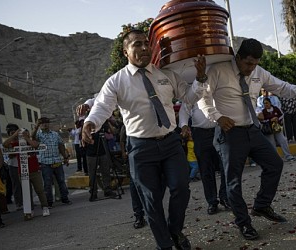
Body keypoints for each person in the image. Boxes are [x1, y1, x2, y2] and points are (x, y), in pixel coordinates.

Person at [81, 30, 207, 250]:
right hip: (141, 148)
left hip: (170, 143)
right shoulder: (116, 81)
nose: (144, 49)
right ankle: (164, 245)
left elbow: (189, 97)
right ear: (126, 51)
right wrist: (91, 123)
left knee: (181, 187)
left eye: (146, 44)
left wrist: (201, 77)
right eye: (137, 45)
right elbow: (102, 106)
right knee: (151, 201)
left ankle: (175, 231)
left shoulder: (165, 74)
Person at [197, 38, 296, 240]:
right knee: (233, 182)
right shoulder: (218, 70)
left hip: (252, 130)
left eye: (255, 64)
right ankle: (244, 223)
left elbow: (282, 87)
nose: (251, 68)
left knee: (275, 164)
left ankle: (262, 206)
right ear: (238, 57)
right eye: (247, 63)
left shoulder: (258, 72)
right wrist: (217, 117)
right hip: (229, 132)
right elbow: (203, 98)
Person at [179, 102, 229, 215]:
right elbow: (184, 109)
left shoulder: (217, 87)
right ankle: (212, 201)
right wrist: (184, 125)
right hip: (200, 134)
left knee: (225, 165)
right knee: (206, 169)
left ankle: (225, 197)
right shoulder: (193, 90)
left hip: (220, 130)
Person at [2, 127, 50, 217]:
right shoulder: (17, 144)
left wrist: (27, 138)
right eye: (21, 133)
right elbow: (5, 144)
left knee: (40, 190)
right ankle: (29, 210)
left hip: (34, 171)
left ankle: (45, 207)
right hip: (23, 171)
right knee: (26, 192)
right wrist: (14, 135)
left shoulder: (31, 142)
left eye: (25, 132)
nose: (23, 134)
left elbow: (36, 145)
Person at [32, 117, 72, 207]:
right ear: (40, 125)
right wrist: (36, 126)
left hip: (57, 161)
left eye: (46, 123)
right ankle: (49, 202)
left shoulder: (55, 134)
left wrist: (65, 157)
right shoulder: (38, 134)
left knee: (61, 181)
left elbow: (61, 145)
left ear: (49, 124)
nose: (45, 124)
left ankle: (65, 198)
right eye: (42, 123)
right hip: (45, 162)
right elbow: (32, 138)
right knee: (47, 183)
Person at [85, 121, 117, 201]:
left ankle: (107, 190)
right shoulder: (86, 124)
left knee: (106, 172)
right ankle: (93, 192)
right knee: (92, 174)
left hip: (103, 152)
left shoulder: (102, 123)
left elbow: (113, 132)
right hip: (91, 154)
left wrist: (107, 122)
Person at [4, 123, 23, 211]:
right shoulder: (8, 142)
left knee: (26, 183)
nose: (14, 135)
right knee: (16, 185)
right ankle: (18, 203)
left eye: (15, 132)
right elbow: (11, 155)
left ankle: (28, 201)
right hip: (13, 165)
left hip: (23, 164)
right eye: (11, 133)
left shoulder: (22, 140)